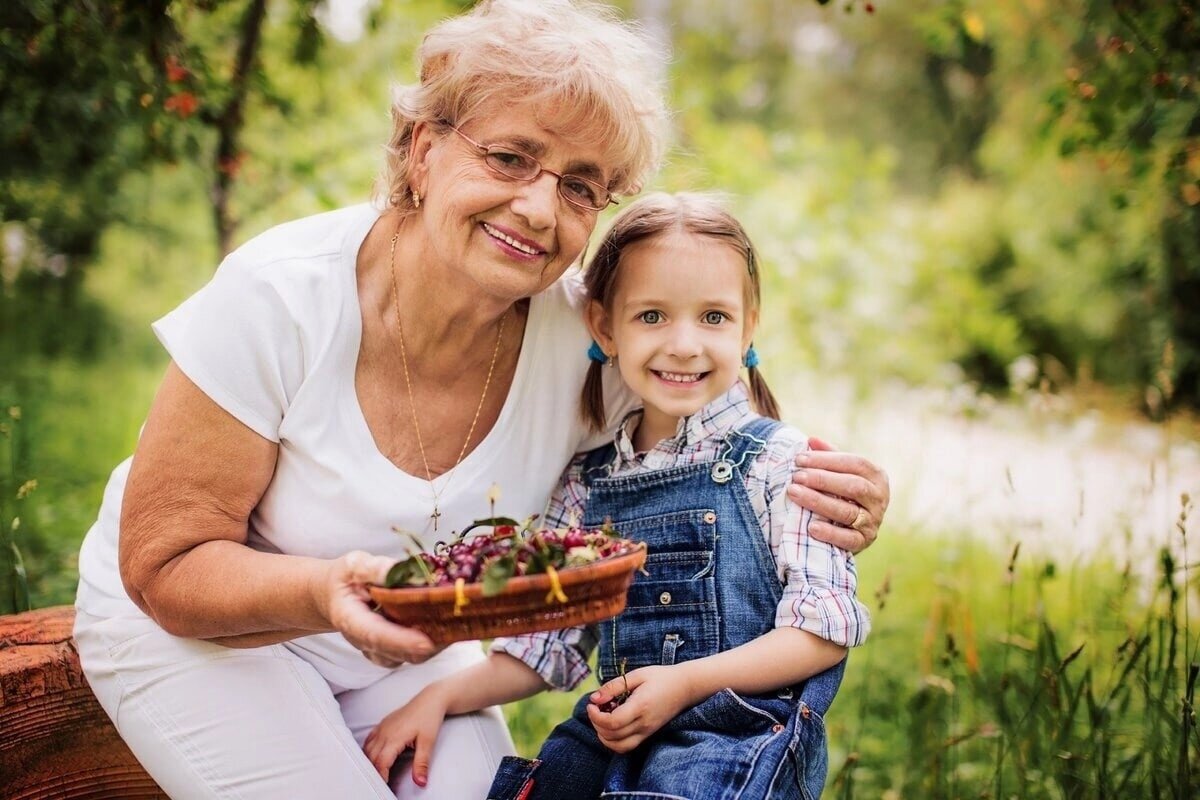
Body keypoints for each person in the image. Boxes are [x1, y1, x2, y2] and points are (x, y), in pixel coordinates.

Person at [72, 2, 889, 799]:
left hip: (406, 655)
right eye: (509, 158)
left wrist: (844, 495)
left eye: (580, 186)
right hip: (202, 638)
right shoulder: (280, 298)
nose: (538, 207)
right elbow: (165, 567)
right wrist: (325, 593)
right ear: (423, 149)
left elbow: (707, 426)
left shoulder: (588, 342)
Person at [362, 192, 872, 800]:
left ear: (748, 326)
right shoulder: (587, 481)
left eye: (713, 317)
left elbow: (821, 631)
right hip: (616, 730)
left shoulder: (783, 463)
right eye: (652, 316)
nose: (684, 344)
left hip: (733, 742)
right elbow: (545, 645)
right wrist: (439, 695)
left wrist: (683, 685)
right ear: (605, 327)